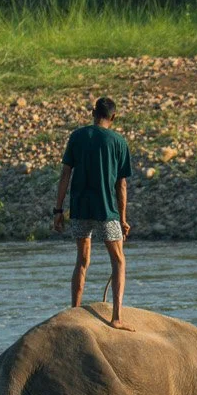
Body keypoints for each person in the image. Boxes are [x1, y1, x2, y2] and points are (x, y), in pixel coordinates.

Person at [54, 96, 133, 329]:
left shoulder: (77, 137)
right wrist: (123, 217)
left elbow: (65, 174)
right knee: (118, 260)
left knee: (82, 260)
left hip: (80, 208)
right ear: (114, 117)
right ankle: (116, 318)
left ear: (92, 113)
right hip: (107, 210)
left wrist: (58, 210)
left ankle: (75, 310)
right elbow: (122, 184)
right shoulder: (118, 142)